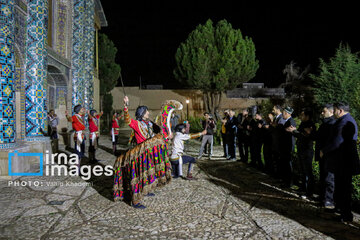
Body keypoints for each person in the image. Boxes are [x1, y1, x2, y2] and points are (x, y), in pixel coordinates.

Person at [113, 96, 174, 209]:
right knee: (139, 174)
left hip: (150, 153)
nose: (148, 113)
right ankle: (135, 201)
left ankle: (147, 189)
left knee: (150, 172)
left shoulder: (150, 123)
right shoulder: (136, 124)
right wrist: (126, 105)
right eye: (147, 111)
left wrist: (167, 135)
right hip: (140, 154)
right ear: (142, 113)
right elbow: (127, 120)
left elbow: (158, 134)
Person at [320, 102, 360, 222]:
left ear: (340, 110)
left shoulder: (345, 122)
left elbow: (337, 141)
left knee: (344, 188)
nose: (334, 112)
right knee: (340, 187)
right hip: (341, 161)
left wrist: (324, 150)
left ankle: (346, 215)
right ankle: (339, 209)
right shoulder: (344, 120)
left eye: (335, 110)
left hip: (345, 161)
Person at [287, 108, 316, 198]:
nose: (300, 116)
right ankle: (303, 188)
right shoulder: (303, 124)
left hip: (307, 150)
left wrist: (294, 131)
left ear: (307, 116)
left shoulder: (311, 124)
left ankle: (309, 192)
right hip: (301, 149)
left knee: (308, 172)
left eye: (302, 115)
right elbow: (300, 134)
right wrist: (295, 131)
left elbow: (304, 135)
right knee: (303, 171)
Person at [315, 104, 336, 208]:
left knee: (329, 179)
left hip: (328, 155)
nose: (322, 113)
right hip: (323, 155)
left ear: (331, 112)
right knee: (323, 177)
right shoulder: (325, 123)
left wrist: (324, 150)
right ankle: (323, 197)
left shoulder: (332, 123)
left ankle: (328, 200)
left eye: (324, 111)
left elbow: (332, 141)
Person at [279, 106, 296, 187]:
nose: (283, 114)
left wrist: (284, 130)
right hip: (285, 146)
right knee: (284, 164)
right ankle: (285, 180)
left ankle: (289, 182)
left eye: (284, 113)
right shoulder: (287, 121)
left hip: (288, 146)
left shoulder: (291, 121)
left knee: (288, 165)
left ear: (287, 113)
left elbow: (290, 132)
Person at [271, 105, 284, 177]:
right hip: (274, 141)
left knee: (279, 159)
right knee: (275, 158)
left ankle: (280, 175)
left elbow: (279, 128)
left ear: (278, 109)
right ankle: (276, 173)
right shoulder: (276, 118)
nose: (273, 111)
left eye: (274, 109)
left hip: (279, 142)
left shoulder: (281, 118)